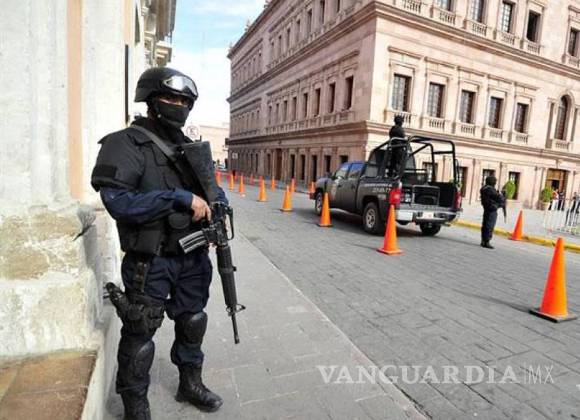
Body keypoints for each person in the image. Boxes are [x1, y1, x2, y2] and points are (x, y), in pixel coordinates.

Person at [91, 67, 227, 419]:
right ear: (150, 101)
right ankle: (135, 404)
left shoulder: (189, 148)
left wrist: (218, 206)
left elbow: (212, 189)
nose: (178, 106)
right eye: (170, 98)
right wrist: (178, 198)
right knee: (140, 336)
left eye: (184, 101)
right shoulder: (123, 144)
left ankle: (190, 383)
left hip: (193, 255)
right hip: (149, 261)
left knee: (193, 321)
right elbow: (119, 203)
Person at [480, 175, 505, 249]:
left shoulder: (484, 188)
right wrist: (502, 196)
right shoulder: (490, 189)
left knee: (485, 225)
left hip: (487, 208)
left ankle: (483, 240)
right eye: (495, 181)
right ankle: (486, 241)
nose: (495, 183)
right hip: (492, 209)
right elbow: (499, 198)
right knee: (490, 225)